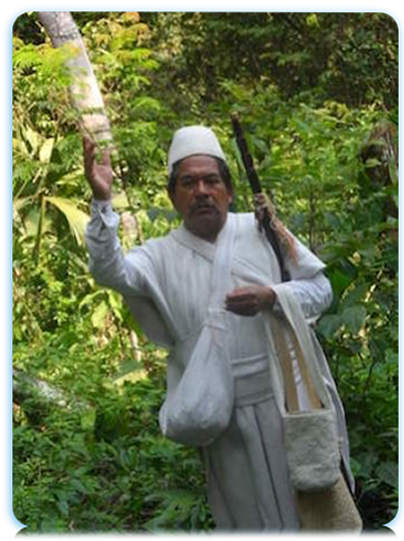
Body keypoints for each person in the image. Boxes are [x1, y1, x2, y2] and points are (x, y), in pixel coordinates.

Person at [84, 126, 354, 539]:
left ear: (229, 190)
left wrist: (272, 296)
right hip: (221, 416)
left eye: (212, 180)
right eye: (188, 183)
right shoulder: (158, 256)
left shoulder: (264, 229)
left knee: (307, 515)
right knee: (244, 521)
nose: (202, 191)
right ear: (174, 196)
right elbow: (109, 270)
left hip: (284, 405)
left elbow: (321, 290)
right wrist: (102, 200)